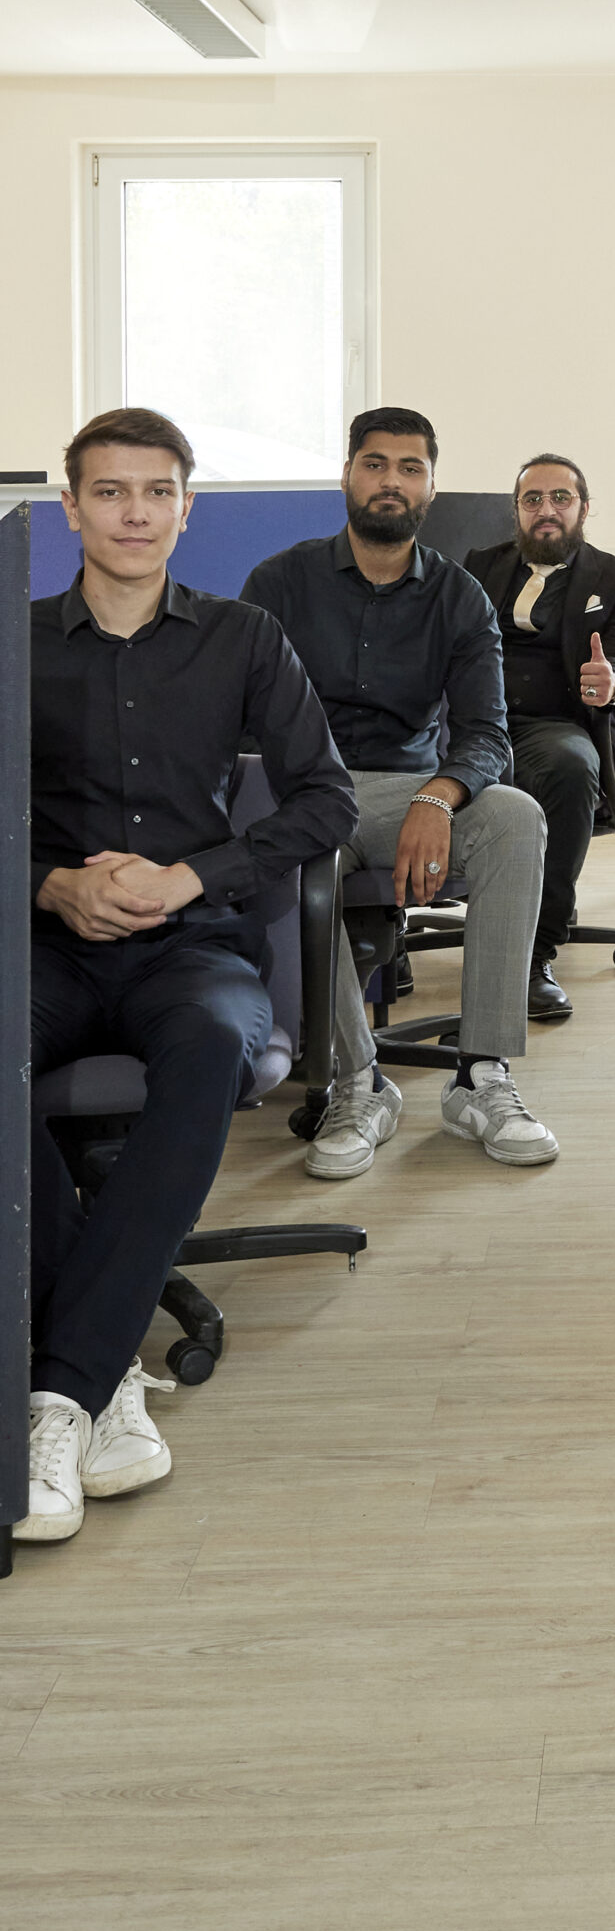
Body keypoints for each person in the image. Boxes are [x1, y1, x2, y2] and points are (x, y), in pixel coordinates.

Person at [24, 408, 357, 1545]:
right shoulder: (16, 642)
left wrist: (186, 877)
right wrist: (50, 886)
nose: (135, 513)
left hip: (190, 946)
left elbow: (326, 800)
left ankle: (58, 1391)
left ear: (186, 507)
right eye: (110, 491)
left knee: (214, 1042)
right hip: (47, 945)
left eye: (157, 492)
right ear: (70, 508)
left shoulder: (244, 637)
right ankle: (104, 1370)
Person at [243, 407, 558, 1177]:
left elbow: (486, 733)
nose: (392, 481)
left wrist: (437, 797)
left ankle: (479, 1074)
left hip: (407, 789)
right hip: (304, 788)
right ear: (347, 476)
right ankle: (359, 1082)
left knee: (516, 816)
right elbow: (239, 713)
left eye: (410, 468)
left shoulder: (459, 597)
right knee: (290, 839)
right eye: (375, 464)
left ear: (430, 489)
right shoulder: (279, 582)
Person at [464, 453, 615, 1021]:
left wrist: (612, 680)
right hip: (475, 722)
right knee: (407, 755)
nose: (547, 510)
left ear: (584, 509)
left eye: (561, 498)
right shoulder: (479, 565)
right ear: (517, 510)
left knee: (570, 767)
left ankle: (535, 954)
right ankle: (389, 934)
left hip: (557, 724)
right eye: (533, 499)